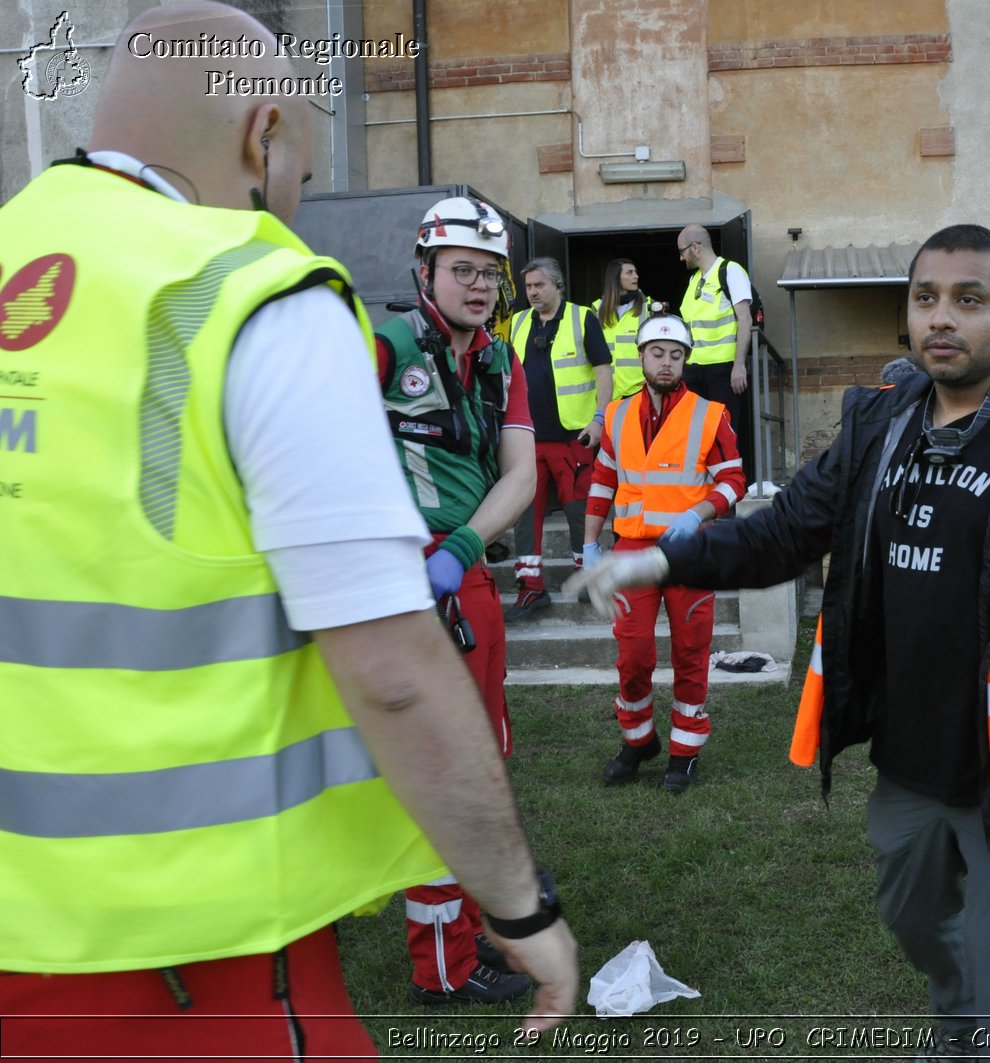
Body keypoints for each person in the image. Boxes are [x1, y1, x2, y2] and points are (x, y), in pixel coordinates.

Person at [0, 3, 576, 1057]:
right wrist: (518, 903)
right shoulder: (248, 292)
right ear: (262, 134)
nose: (294, 199)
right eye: (301, 170)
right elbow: (392, 668)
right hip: (195, 946)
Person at [574, 224, 990, 1059]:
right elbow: (788, 531)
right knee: (913, 923)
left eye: (968, 300)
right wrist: (662, 556)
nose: (942, 318)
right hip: (910, 763)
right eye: (925, 299)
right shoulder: (882, 420)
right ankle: (963, 1022)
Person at [375, 197, 540, 1005]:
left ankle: (469, 929)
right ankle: (440, 963)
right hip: (403, 580)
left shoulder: (502, 360)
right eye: (463, 270)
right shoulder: (383, 343)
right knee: (441, 768)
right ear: (425, 271)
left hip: (463, 575)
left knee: (481, 757)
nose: (479, 285)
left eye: (489, 272)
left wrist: (465, 548)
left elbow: (522, 473)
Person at [584, 313, 746, 792]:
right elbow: (603, 481)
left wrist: (698, 514)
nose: (667, 362)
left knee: (691, 653)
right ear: (641, 356)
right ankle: (638, 741)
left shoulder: (711, 414)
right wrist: (590, 543)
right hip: (631, 549)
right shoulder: (615, 414)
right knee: (632, 654)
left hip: (691, 549)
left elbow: (734, 480)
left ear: (685, 361)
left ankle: (684, 752)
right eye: (658, 352)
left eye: (676, 355)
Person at [504, 257, 612, 619]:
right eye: (528, 286)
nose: (532, 292)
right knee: (524, 512)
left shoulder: (583, 318)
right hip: (528, 438)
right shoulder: (518, 322)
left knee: (579, 509)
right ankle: (531, 586)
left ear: (557, 285)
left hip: (573, 437)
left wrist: (599, 420)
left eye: (539, 285)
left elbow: (603, 373)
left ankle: (587, 576)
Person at [676, 225, 752, 445]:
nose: (681, 258)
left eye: (682, 251)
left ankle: (728, 479)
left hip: (723, 369)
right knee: (695, 434)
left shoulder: (730, 271)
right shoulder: (693, 281)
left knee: (724, 433)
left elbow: (744, 319)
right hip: (694, 371)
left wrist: (739, 365)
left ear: (696, 248)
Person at [593, 257, 654, 399]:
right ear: (615, 278)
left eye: (635, 272)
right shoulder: (596, 309)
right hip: (606, 390)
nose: (636, 276)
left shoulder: (649, 307)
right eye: (629, 273)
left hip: (639, 389)